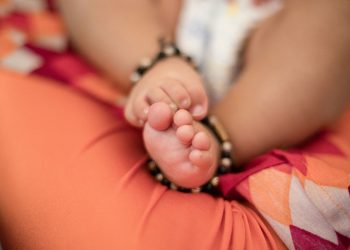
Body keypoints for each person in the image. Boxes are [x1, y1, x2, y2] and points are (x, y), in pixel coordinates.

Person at [0, 0, 349, 249]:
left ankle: (219, 137)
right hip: (163, 21)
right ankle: (157, 68)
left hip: (276, 24)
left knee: (333, 21)